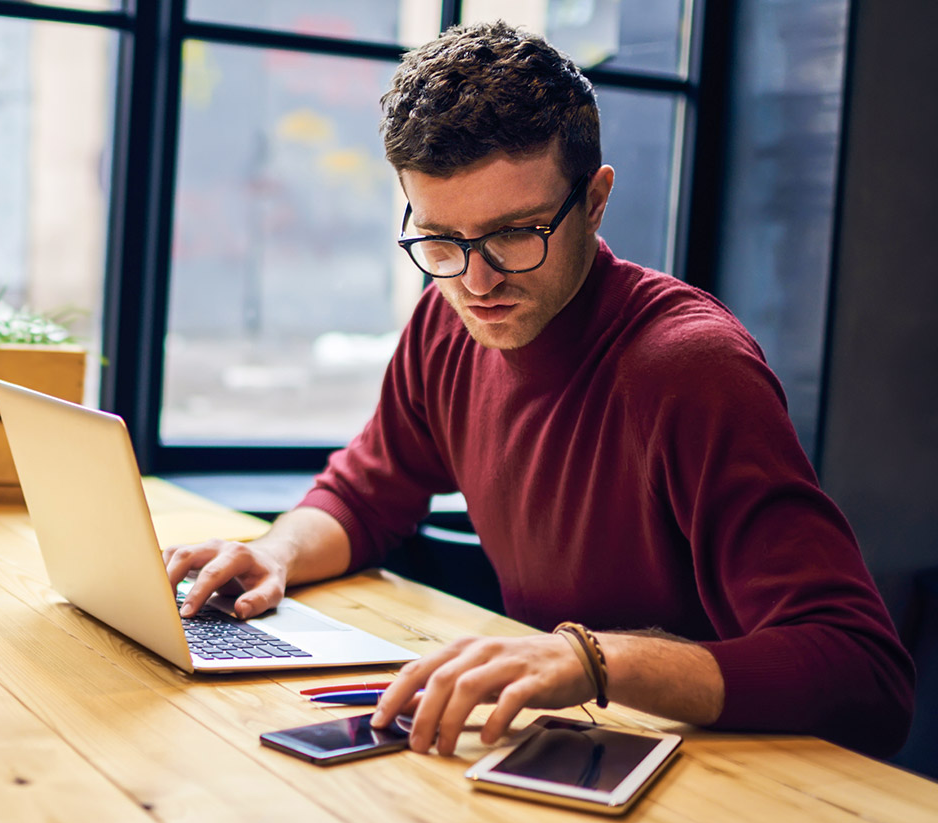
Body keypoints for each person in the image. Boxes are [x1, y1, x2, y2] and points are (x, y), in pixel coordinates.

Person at [163, 21, 914, 759]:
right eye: (440, 239)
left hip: (718, 773)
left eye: (515, 233)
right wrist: (278, 552)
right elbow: (366, 492)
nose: (478, 281)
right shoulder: (446, 321)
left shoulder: (692, 369)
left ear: (594, 201)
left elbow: (865, 675)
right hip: (569, 749)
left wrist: (591, 662)